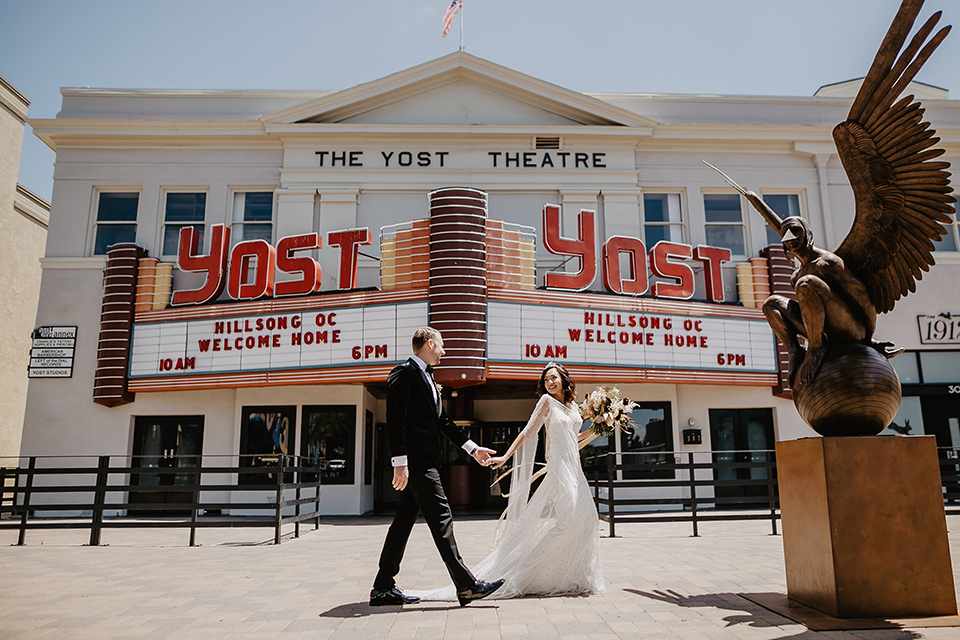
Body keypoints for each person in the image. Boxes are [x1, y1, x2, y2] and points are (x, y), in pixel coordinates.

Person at [414, 362, 604, 601]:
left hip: (575, 469)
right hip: (560, 470)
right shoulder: (546, 403)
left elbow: (572, 438)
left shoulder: (573, 406)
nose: (550, 383)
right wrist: (506, 456)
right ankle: (521, 572)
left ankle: (573, 574)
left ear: (565, 380)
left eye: (554, 378)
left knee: (587, 518)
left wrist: (599, 428)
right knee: (566, 524)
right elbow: (527, 431)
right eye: (546, 380)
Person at [370, 326, 504, 607]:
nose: (444, 352)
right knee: (441, 518)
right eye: (441, 346)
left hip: (423, 462)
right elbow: (395, 420)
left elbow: (443, 423)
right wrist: (399, 463)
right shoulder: (404, 373)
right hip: (417, 464)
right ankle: (467, 586)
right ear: (429, 344)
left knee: (402, 523)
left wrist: (473, 449)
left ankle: (383, 587)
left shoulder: (428, 377)